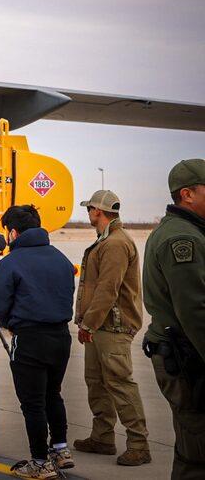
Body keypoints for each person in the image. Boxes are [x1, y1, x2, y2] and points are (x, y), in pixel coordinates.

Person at [0, 205, 76, 479]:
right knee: (53, 393)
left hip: (29, 338)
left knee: (32, 403)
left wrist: (10, 323)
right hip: (61, 337)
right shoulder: (60, 258)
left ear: (13, 233)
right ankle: (61, 449)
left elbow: (0, 304)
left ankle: (40, 461)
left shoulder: (12, 262)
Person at [73, 190, 150, 466]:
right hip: (100, 326)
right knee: (97, 383)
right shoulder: (107, 240)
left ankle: (139, 445)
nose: (88, 213)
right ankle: (102, 437)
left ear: (98, 211)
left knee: (120, 383)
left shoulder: (116, 243)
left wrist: (88, 323)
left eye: (89, 209)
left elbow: (108, 289)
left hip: (113, 326)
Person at [142, 159, 205, 480]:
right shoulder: (183, 239)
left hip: (185, 352)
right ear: (187, 194)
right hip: (187, 356)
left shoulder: (186, 231)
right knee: (198, 450)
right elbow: (196, 310)